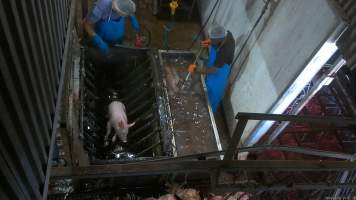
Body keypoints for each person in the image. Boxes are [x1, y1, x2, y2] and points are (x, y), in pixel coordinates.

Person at [188, 24, 235, 113]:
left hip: (221, 69)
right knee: (208, 81)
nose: (211, 39)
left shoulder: (224, 52)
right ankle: (205, 92)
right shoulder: (227, 33)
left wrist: (196, 69)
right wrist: (209, 42)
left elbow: (213, 70)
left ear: (219, 39)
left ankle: (210, 110)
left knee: (214, 91)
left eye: (212, 39)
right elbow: (216, 39)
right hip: (216, 59)